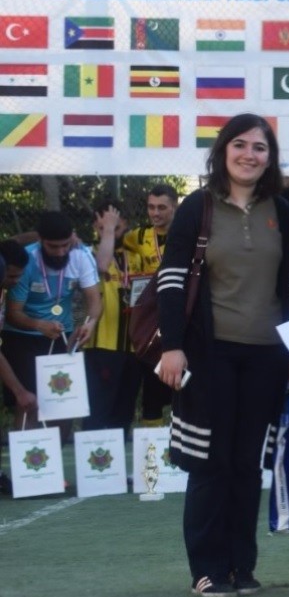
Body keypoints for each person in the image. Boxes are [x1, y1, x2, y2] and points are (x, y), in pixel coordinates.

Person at [156, 114, 289, 597]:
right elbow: (172, 280)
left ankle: (241, 566)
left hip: (267, 357)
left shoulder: (281, 208)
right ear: (223, 151)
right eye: (240, 145)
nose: (249, 155)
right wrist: (173, 345)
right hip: (208, 355)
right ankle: (208, 568)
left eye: (260, 148)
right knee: (209, 463)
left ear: (270, 158)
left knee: (245, 464)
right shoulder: (198, 206)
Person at [3, 211, 102, 431]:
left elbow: (95, 301)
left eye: (65, 245)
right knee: (29, 403)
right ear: (40, 240)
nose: (60, 252)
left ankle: (54, 460)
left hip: (61, 336)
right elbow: (13, 314)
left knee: (64, 400)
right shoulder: (26, 260)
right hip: (24, 337)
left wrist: (89, 323)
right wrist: (38, 325)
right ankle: (26, 461)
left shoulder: (81, 255)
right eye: (53, 247)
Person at [84, 200, 145, 432]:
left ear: (126, 224)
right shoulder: (87, 253)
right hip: (102, 344)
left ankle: (118, 465)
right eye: (102, 228)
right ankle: (94, 465)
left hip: (133, 345)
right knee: (99, 408)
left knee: (123, 410)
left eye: (115, 227)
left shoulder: (135, 257)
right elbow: (102, 266)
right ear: (95, 228)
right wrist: (108, 231)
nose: (110, 232)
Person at [122, 184, 179, 427]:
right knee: (152, 391)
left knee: (185, 387)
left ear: (175, 207)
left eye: (162, 208)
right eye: (151, 207)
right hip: (151, 323)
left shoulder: (188, 234)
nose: (155, 213)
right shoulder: (137, 237)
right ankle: (152, 460)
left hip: (180, 317)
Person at [0, 239, 37, 433]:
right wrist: (19, 391)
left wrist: (39, 235)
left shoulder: (4, 292)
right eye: (12, 276)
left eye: (20, 276)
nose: (16, 281)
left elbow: (9, 242)